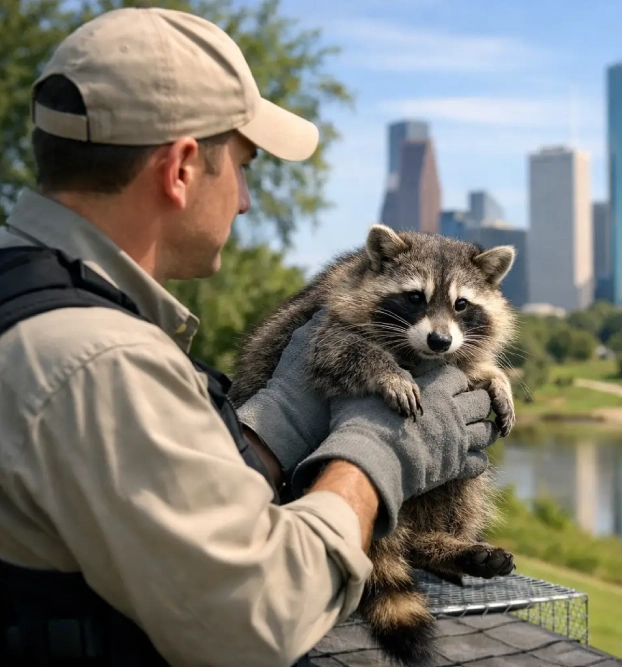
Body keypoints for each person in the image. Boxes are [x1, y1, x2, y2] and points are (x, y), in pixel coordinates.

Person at [0, 6, 499, 667]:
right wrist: (375, 454)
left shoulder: (26, 292)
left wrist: (277, 422)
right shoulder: (98, 360)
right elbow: (258, 616)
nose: (245, 200)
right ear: (180, 169)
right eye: (244, 166)